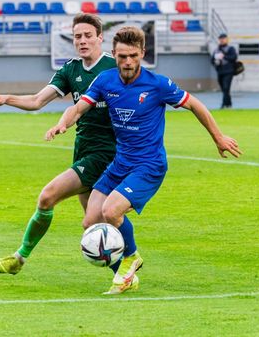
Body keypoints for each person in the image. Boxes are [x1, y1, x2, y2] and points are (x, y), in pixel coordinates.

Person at [46, 26, 242, 294]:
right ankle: (126, 273)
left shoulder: (157, 84)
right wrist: (63, 124)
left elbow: (194, 104)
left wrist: (218, 137)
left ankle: (131, 257)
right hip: (120, 163)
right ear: (114, 54)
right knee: (90, 220)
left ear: (142, 54)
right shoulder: (105, 80)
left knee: (111, 211)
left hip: (149, 165)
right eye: (122, 56)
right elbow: (78, 107)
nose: (128, 62)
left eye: (133, 56)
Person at [0, 13, 119, 275]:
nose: (82, 41)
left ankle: (19, 258)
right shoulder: (71, 69)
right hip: (83, 149)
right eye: (77, 36)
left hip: (105, 153)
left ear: (100, 38)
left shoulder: (113, 68)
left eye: (88, 36)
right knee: (94, 225)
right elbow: (37, 101)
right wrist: (7, 99)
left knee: (48, 196)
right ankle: (125, 272)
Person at [211, 33, 238, 109]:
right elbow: (212, 60)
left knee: (226, 88)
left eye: (223, 38)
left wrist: (224, 56)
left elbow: (234, 57)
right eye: (220, 39)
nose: (222, 40)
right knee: (224, 89)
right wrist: (216, 62)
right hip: (220, 71)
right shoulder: (216, 50)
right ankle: (229, 104)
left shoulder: (230, 48)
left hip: (229, 71)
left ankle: (223, 105)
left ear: (226, 39)